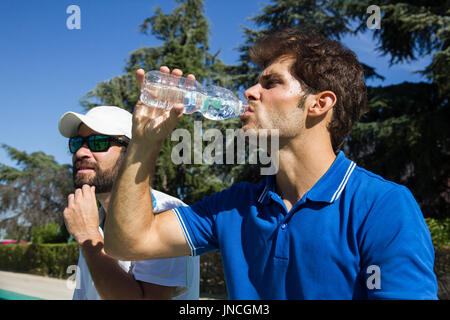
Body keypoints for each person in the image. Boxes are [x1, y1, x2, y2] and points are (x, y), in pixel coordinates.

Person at [104, 29, 438, 299]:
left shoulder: (382, 205)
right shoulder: (234, 206)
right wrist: (144, 143)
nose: (249, 91)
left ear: (319, 103)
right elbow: (128, 242)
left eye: (271, 82)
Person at [58, 106, 199, 300]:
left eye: (97, 142)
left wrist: (87, 236)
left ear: (131, 153)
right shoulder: (93, 219)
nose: (81, 152)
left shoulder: (165, 212)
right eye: (76, 143)